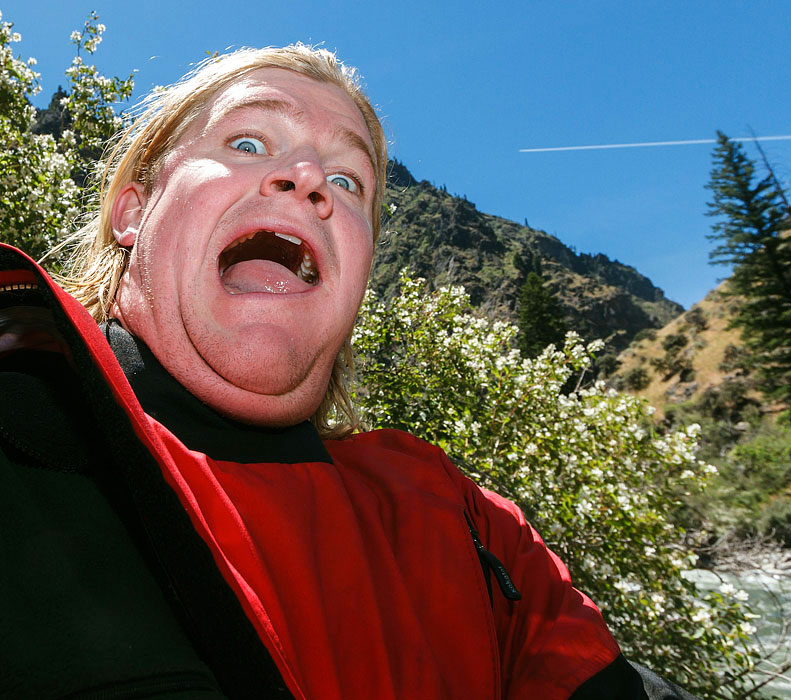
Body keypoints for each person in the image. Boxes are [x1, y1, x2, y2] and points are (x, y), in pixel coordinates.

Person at [0, 44, 698, 700]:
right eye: (248, 143)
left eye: (346, 180)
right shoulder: (21, 445)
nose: (308, 179)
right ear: (133, 209)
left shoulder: (471, 522)